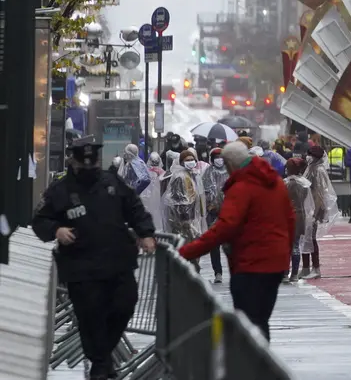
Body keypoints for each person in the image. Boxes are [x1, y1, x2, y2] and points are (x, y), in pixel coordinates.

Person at [32, 135, 156, 380]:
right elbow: (40, 220)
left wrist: (146, 233)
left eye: (93, 162)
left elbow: (134, 208)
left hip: (117, 262)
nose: (90, 167)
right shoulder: (60, 190)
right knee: (91, 317)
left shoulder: (112, 182)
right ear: (74, 162)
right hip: (81, 267)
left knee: (125, 305)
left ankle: (102, 356)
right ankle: (100, 363)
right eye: (84, 163)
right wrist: (56, 230)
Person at [179, 142, 294, 339]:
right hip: (275, 262)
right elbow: (290, 219)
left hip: (250, 263)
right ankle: (262, 363)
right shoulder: (274, 181)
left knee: (248, 322)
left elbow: (224, 227)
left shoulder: (241, 187)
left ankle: (253, 366)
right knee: (260, 319)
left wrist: (187, 251)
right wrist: (285, 253)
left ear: (231, 164)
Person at [163, 148, 207, 272]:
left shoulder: (192, 175)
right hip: (184, 221)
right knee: (188, 248)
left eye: (192, 159)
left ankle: (191, 272)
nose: (191, 162)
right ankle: (188, 274)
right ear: (182, 162)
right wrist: (185, 220)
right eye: (187, 160)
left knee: (194, 247)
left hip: (193, 218)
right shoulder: (180, 177)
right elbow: (178, 201)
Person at [301, 144, 339, 278]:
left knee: (310, 238)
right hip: (307, 208)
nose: (308, 157)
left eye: (311, 155)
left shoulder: (319, 171)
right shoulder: (311, 168)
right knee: (304, 238)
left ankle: (315, 268)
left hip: (314, 210)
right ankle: (305, 267)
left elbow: (321, 193)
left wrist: (315, 212)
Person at [284, 157, 315, 283]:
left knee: (286, 245)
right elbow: (309, 203)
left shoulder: (284, 183)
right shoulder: (305, 184)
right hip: (301, 216)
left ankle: (285, 273)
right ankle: (295, 274)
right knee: (296, 244)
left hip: (286, 216)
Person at [201, 147, 230, 283]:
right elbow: (207, 191)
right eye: (216, 157)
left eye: (221, 156)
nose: (219, 159)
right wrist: (212, 206)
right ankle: (217, 272)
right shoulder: (208, 172)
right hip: (213, 212)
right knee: (214, 244)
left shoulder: (230, 171)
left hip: (230, 211)